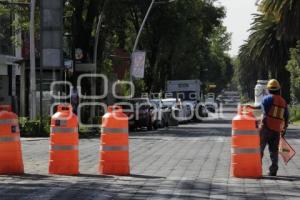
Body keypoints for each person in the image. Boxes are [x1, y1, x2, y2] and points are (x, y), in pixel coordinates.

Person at [247, 79, 289, 176]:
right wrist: (284, 129)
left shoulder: (267, 99)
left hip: (266, 128)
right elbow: (286, 116)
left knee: (260, 149)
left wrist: (250, 107)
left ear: (268, 89)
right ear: (279, 89)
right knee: (274, 151)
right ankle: (273, 170)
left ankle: (257, 169)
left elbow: (259, 109)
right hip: (277, 130)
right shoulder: (283, 101)